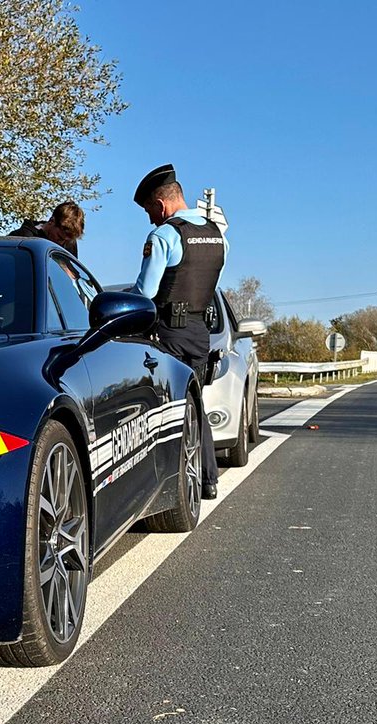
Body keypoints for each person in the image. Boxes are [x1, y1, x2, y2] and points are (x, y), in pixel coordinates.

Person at [131, 163, 227, 500]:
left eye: (148, 211)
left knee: (168, 409)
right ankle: (208, 478)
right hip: (200, 332)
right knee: (194, 402)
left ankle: (166, 485)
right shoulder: (217, 236)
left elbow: (145, 292)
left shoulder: (163, 235)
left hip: (168, 333)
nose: (150, 219)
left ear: (160, 204)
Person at [9, 200, 85, 256]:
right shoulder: (23, 237)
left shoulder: (69, 243)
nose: (62, 243)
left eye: (66, 241)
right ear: (52, 221)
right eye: (59, 237)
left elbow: (71, 274)